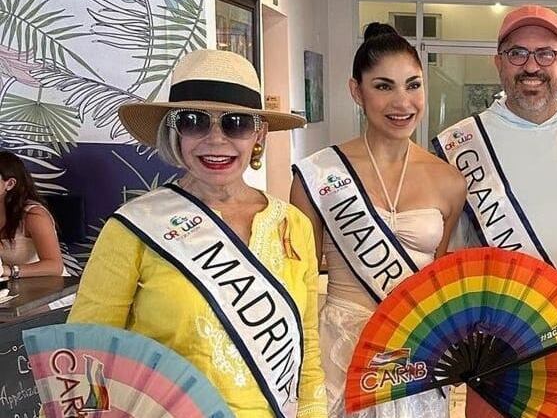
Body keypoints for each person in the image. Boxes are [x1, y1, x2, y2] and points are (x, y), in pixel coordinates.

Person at [69, 49, 327, 418]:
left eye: (236, 123)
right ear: (175, 132)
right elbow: (85, 354)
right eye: (194, 121)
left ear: (259, 133)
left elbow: (308, 352)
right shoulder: (134, 229)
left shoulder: (293, 225)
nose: (216, 140)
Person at [433, 4, 557, 418]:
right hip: (496, 351)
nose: (532, 66)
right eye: (517, 53)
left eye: (546, 54)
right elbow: (444, 249)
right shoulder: (460, 143)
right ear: (498, 63)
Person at [291, 23, 466, 418]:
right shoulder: (318, 175)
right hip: (339, 349)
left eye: (413, 85)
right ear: (357, 91)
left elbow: (435, 280)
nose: (402, 102)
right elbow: (299, 284)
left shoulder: (450, 181)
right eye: (384, 86)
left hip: (412, 350)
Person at [0, 150, 65, 279]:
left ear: (10, 184)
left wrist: (7, 271)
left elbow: (55, 266)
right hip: (8, 290)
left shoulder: (34, 215)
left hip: (48, 290)